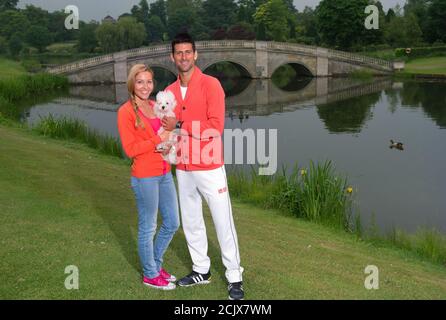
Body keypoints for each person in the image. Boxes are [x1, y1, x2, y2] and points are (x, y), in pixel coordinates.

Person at [162, 33, 244, 300]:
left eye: (188, 52)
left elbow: (215, 128)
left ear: (195, 55)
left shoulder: (211, 85)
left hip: (209, 166)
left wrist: (182, 127)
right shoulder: (169, 92)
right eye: (179, 53)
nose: (183, 57)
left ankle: (234, 276)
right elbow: (167, 129)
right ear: (172, 57)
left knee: (223, 222)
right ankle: (201, 270)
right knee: (192, 221)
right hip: (183, 167)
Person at [117, 64, 180, 290]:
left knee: (172, 222)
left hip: (164, 173)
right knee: (148, 227)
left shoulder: (156, 105)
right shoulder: (125, 112)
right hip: (145, 176)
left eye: (149, 82)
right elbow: (131, 149)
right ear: (132, 84)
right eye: (140, 82)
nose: (145, 86)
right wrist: (157, 139)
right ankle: (150, 274)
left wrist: (169, 140)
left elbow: (169, 131)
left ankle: (155, 264)